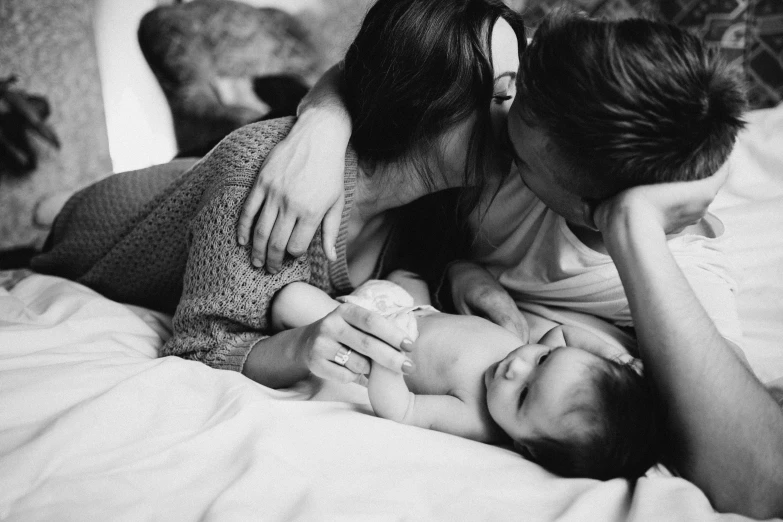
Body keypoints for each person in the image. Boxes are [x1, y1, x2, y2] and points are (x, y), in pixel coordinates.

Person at [235, 12, 783, 518]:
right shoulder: (537, 106)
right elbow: (399, 60)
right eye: (508, 94)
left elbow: (761, 486)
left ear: (591, 205)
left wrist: (634, 230)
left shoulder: (678, 275)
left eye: (519, 154)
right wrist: (321, 125)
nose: (499, 120)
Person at [30, 0, 526, 388]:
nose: (518, 118)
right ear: (422, 101)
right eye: (501, 95)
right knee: (214, 169)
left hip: (208, 185)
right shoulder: (263, 181)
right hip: (101, 225)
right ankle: (61, 203)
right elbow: (199, 345)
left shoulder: (436, 204)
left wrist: (466, 276)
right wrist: (303, 346)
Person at [271, 276, 659, 480]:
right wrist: (615, 356)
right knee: (410, 269)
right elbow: (563, 335)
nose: (516, 367)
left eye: (523, 395)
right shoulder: (533, 354)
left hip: (366, 335)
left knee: (292, 300)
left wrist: (385, 363)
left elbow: (404, 410)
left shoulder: (476, 418)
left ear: (528, 448)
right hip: (410, 305)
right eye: (544, 359)